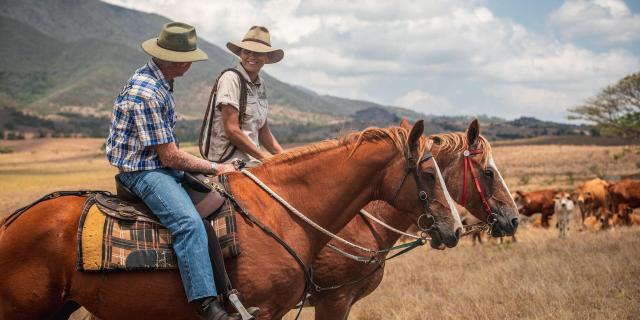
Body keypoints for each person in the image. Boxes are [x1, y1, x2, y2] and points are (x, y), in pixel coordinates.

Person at [106, 22, 251, 320]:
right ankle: (207, 306)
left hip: (157, 165)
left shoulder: (161, 82)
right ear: (174, 59)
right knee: (188, 224)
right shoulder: (147, 92)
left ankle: (229, 292)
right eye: (188, 59)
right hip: (143, 172)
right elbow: (170, 156)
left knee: (216, 206)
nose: (189, 65)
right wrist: (215, 166)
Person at [201, 26, 284, 166]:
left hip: (251, 161)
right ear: (240, 53)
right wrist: (265, 159)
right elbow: (232, 130)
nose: (251, 56)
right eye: (247, 51)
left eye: (258, 53)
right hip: (228, 163)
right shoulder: (231, 79)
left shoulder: (260, 84)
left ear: (266, 57)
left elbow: (262, 130)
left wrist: (285, 157)